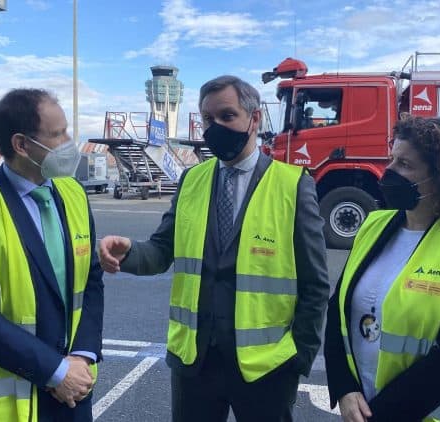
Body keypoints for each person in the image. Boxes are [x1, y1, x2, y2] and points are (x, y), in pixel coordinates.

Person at [99, 75, 330, 422]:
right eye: (208, 119)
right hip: (196, 362)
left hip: (265, 367)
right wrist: (128, 251)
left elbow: (315, 284)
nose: (215, 126)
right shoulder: (192, 180)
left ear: (254, 120)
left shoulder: (293, 185)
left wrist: (299, 358)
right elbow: (163, 250)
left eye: (226, 116)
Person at [324, 116, 440, 422]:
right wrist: (344, 388)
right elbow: (338, 310)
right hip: (369, 409)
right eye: (392, 159)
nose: (389, 171)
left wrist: (380, 416)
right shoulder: (375, 225)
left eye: (405, 165)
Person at [0, 89, 104, 421]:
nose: (70, 141)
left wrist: (83, 357)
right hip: (8, 405)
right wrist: (56, 371)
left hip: (74, 391)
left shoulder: (73, 193)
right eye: (58, 134)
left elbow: (92, 281)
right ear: (21, 145)